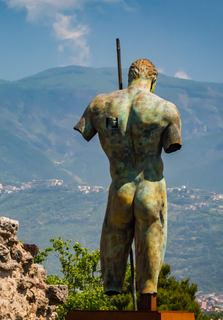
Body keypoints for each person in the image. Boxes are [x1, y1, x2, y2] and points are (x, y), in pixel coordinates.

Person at [74, 59, 182, 310]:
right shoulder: (166, 109)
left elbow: (85, 130)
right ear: (153, 80)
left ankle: (112, 283)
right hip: (150, 187)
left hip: (120, 187)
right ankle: (148, 294)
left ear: (129, 76)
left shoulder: (100, 104)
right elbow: (171, 145)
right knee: (152, 237)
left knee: (113, 232)